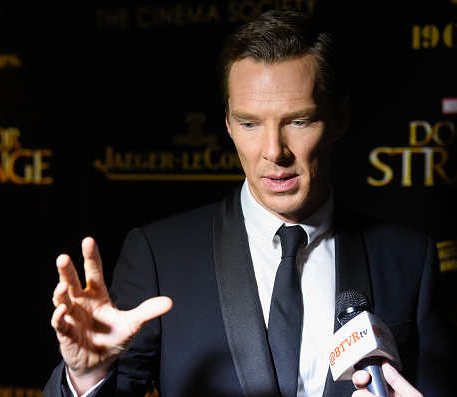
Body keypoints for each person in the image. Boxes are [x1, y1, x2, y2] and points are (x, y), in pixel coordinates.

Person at [44, 9, 451, 397]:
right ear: (227, 124)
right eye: (250, 123)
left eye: (298, 120)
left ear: (339, 117)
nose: (274, 151)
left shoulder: (408, 260)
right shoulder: (159, 256)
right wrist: (86, 376)